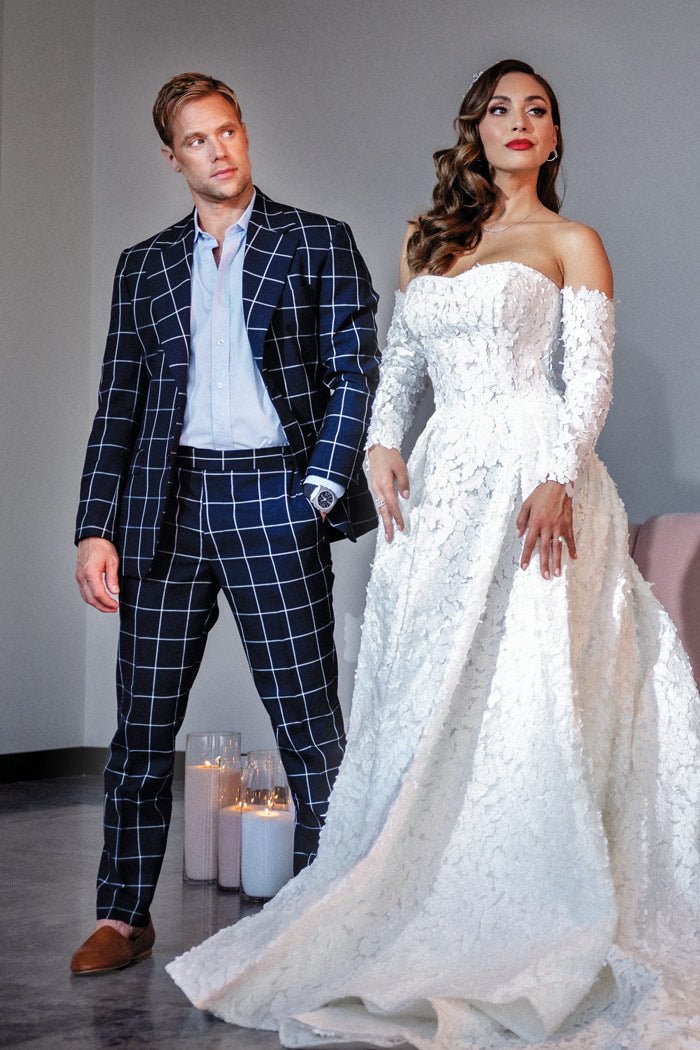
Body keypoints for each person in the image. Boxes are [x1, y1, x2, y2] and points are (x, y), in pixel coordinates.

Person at [166, 60, 700, 1048]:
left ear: (552, 136)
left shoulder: (571, 241)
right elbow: (398, 365)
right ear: (475, 128)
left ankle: (530, 895)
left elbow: (585, 380)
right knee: (423, 694)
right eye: (501, 107)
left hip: (530, 475)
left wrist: (553, 470)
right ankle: (396, 880)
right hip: (440, 478)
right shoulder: (430, 240)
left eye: (538, 109)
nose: (520, 121)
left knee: (520, 696)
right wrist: (376, 443)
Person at [69, 72, 380, 976]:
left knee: (311, 725)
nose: (221, 150)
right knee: (140, 729)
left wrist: (318, 490)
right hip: (164, 505)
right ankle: (122, 917)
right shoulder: (145, 266)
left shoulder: (315, 242)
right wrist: (96, 527)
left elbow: (355, 368)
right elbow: (117, 405)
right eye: (199, 140)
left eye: (230, 131)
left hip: (273, 497)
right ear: (174, 157)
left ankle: (332, 913)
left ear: (245, 134)